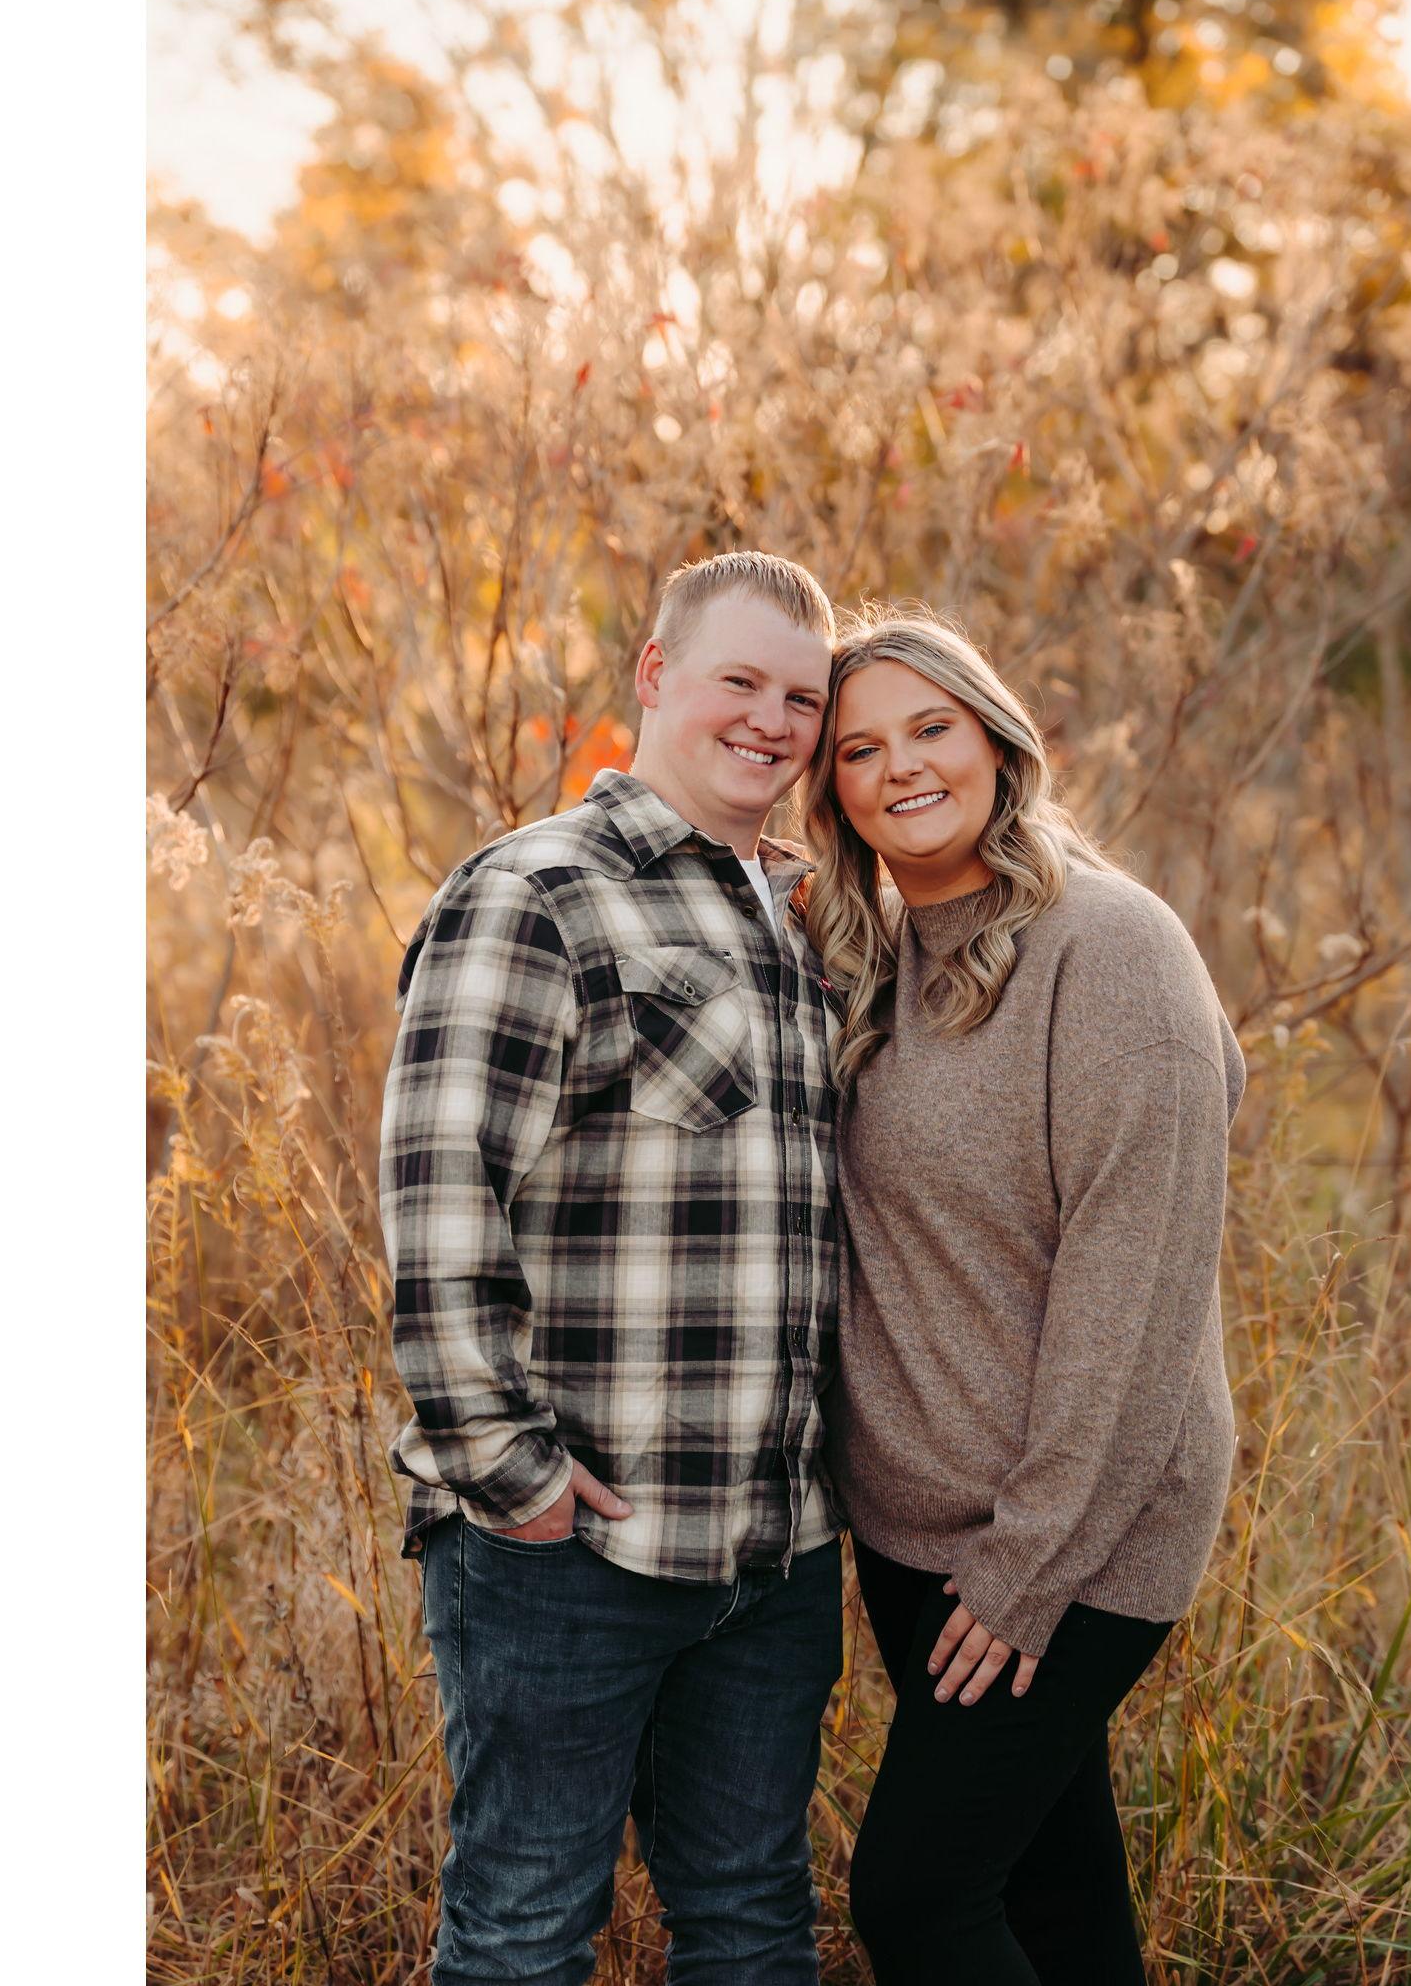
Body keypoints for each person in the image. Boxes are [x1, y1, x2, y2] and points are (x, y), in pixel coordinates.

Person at [378, 552, 847, 1986]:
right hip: (572, 1544)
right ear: (654, 674)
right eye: (738, 681)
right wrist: (508, 1474)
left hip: (773, 1548)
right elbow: (440, 1192)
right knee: (525, 1934)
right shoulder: (538, 892)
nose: (771, 721)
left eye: (803, 699)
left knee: (754, 1924)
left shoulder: (803, 919)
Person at [799, 606, 1247, 1986]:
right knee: (1054, 1897)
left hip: (1076, 1531)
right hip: (915, 1526)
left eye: (931, 728)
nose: (901, 767)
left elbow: (1138, 1288)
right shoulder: (874, 956)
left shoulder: (1110, 947)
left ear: (997, 741)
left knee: (919, 1897)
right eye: (860, 749)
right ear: (833, 789)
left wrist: (1030, 1564)